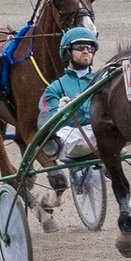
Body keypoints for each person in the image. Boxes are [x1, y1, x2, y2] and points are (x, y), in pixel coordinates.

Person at [38, 27, 101, 164]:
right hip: (72, 136)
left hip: (100, 132)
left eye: (90, 48)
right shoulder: (54, 88)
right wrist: (60, 113)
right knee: (66, 135)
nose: (86, 51)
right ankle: (55, 147)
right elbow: (46, 121)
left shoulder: (102, 80)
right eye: (80, 47)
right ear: (67, 52)